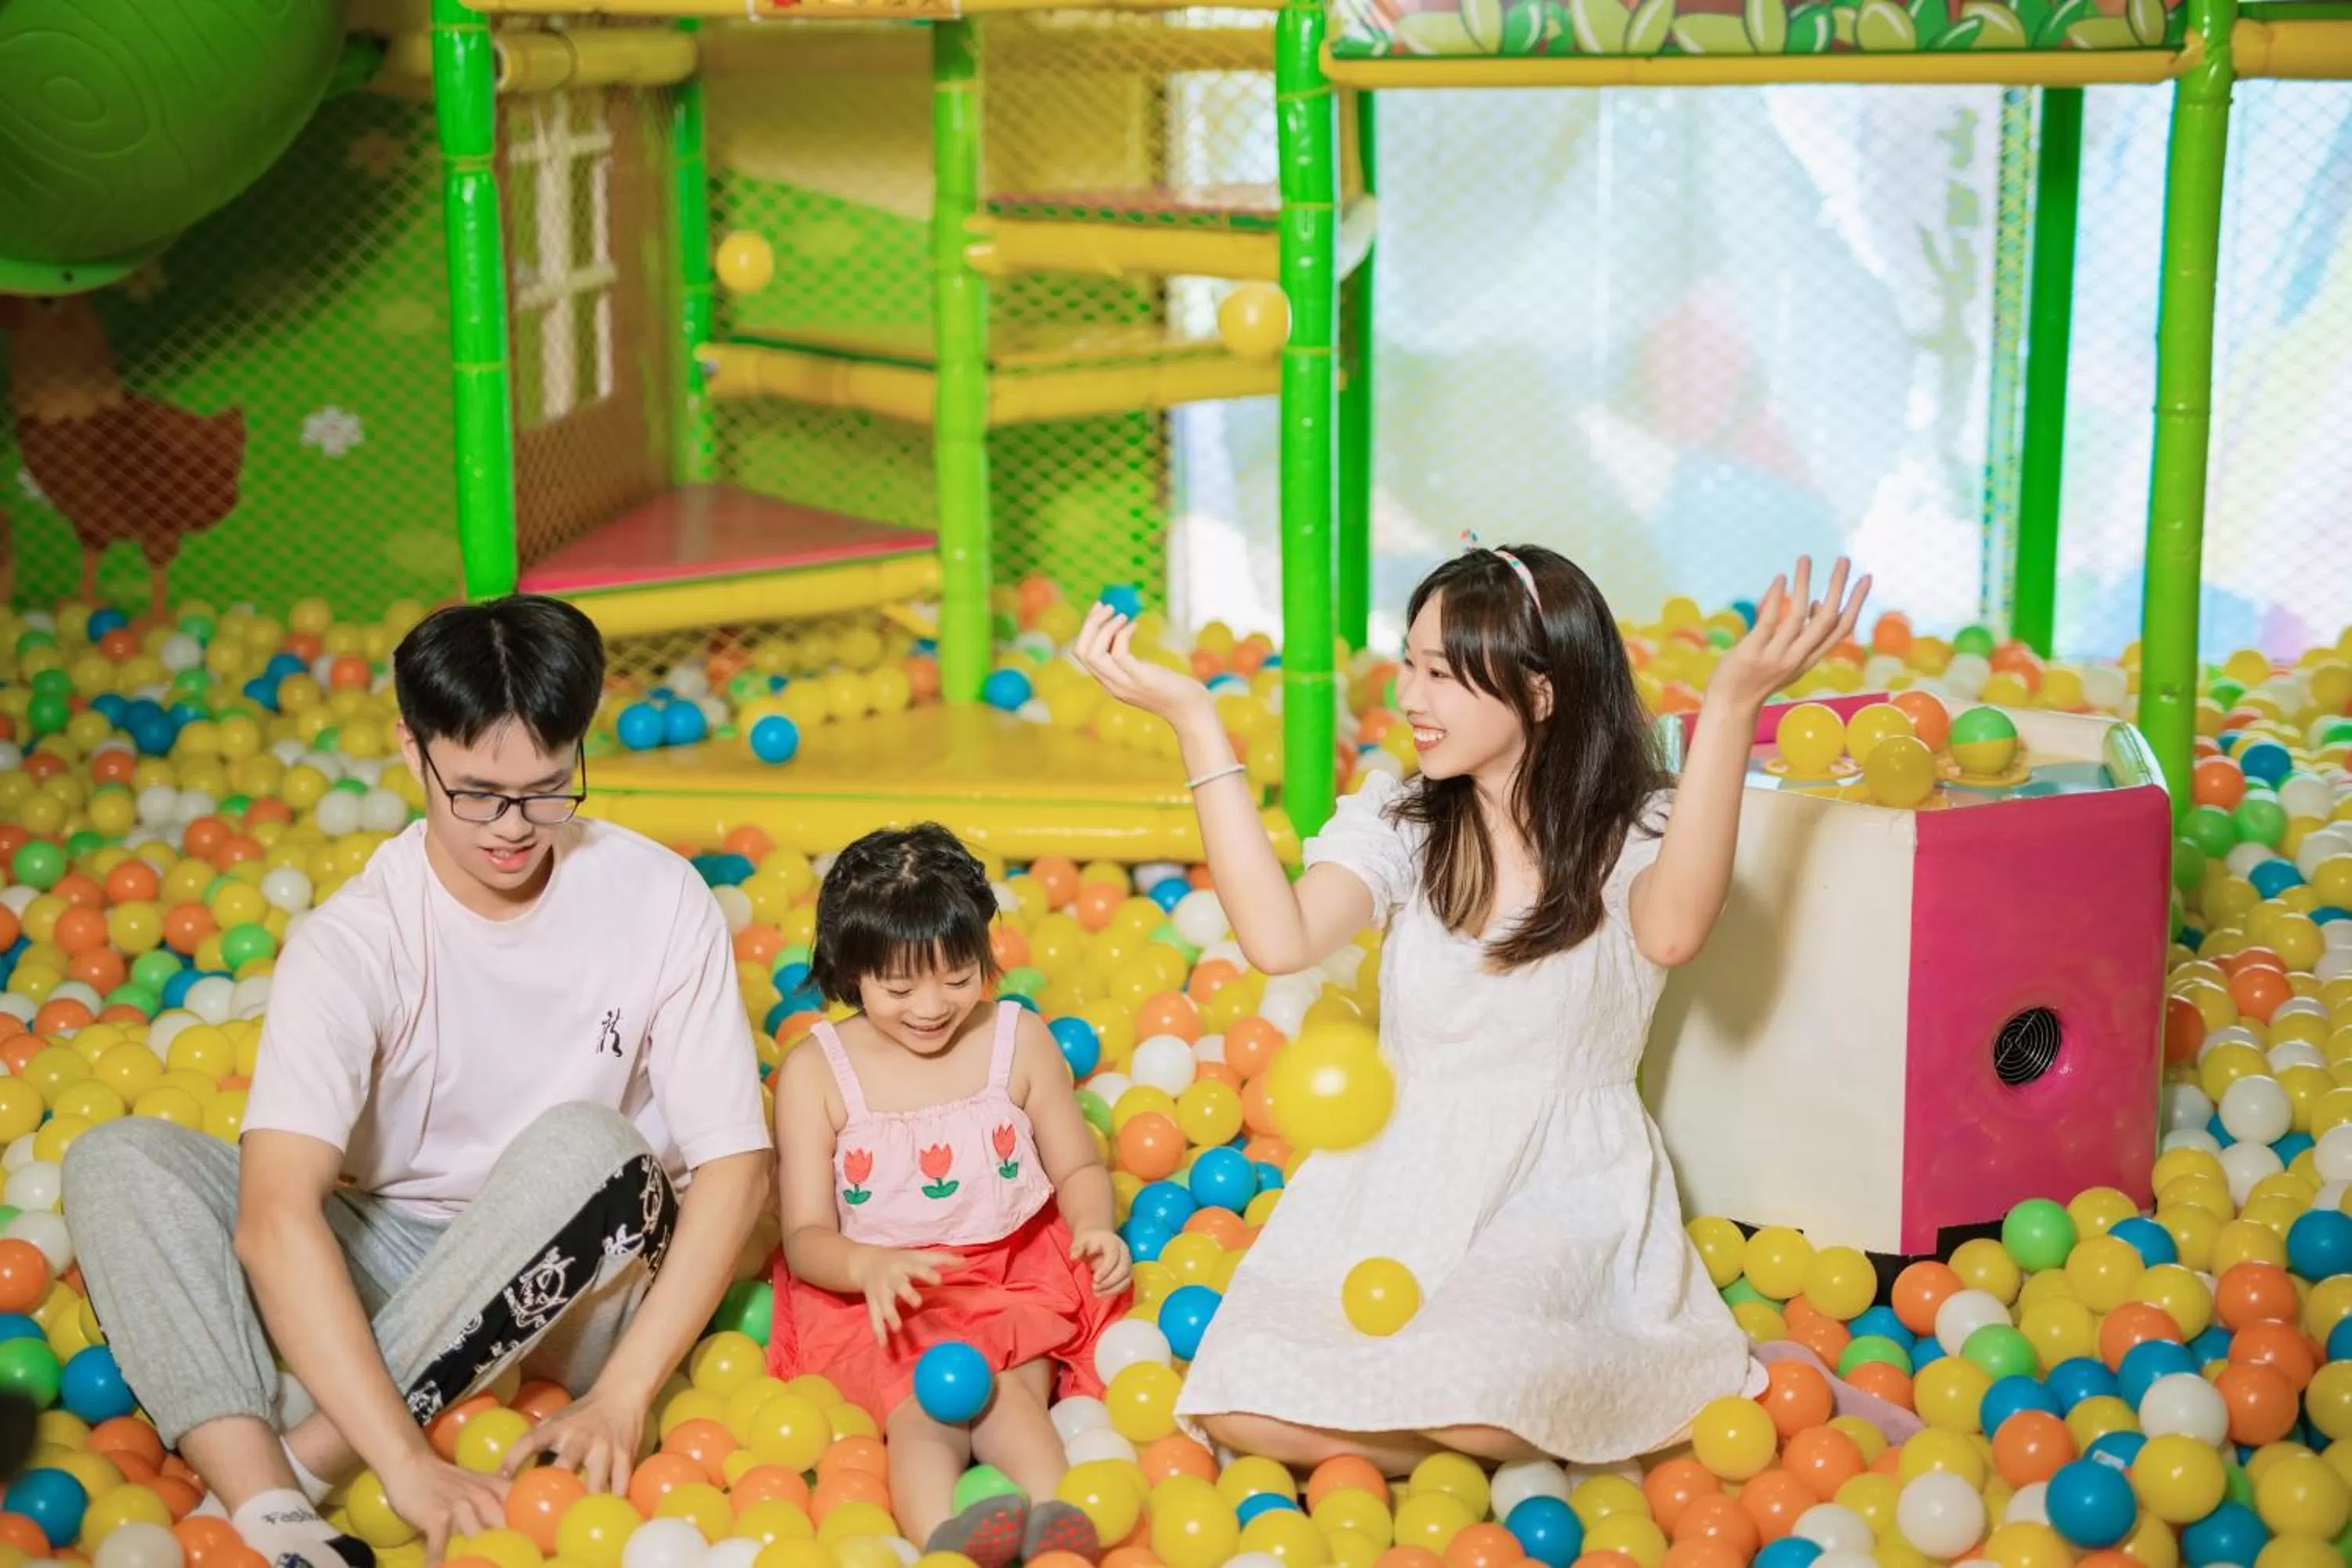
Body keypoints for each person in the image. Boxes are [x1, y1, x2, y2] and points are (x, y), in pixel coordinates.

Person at [1070, 548, 1908, 1471]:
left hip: (1560, 1187)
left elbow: (1673, 934)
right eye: (1411, 663)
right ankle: (1534, 1434)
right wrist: (1196, 720)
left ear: (1541, 693)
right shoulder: (1404, 823)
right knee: (1238, 1400)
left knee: (1483, 1397)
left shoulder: (1633, 832)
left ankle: (1607, 1400)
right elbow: (1279, 938)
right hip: (1398, 1177)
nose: (1412, 697)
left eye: (1444, 673)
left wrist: (1734, 705)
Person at [62, 595, 773, 1568]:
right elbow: (275, 1217)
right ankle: (276, 1517)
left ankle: (305, 1458)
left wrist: (624, 1393)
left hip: (579, 1290)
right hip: (391, 1246)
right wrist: (410, 1461)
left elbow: (737, 1168)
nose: (515, 826)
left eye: (549, 785)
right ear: (411, 751)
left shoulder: (658, 898)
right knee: (118, 1156)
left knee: (594, 1146)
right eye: (478, 792)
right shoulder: (353, 943)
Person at [769, 825, 1131, 1568]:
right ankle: (942, 1540)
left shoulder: (1016, 1039)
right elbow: (805, 1232)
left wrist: (1095, 1227)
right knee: (923, 1409)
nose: (932, 1007)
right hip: (882, 1293)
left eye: (959, 977)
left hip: (1013, 1269)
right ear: (849, 972)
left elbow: (1078, 1168)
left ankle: (1058, 1521)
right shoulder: (817, 1071)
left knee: (1007, 1394)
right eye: (899, 989)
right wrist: (865, 1266)